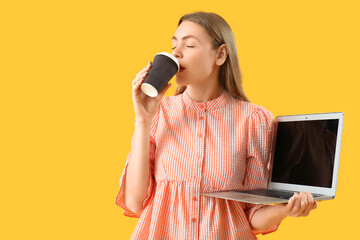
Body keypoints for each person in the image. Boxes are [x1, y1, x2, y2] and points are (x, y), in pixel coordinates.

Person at [115, 11, 317, 240]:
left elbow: (251, 214)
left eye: (189, 45)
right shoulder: (159, 113)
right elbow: (135, 202)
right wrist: (143, 120)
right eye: (173, 46)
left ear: (220, 55)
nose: (176, 53)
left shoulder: (253, 120)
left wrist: (285, 209)